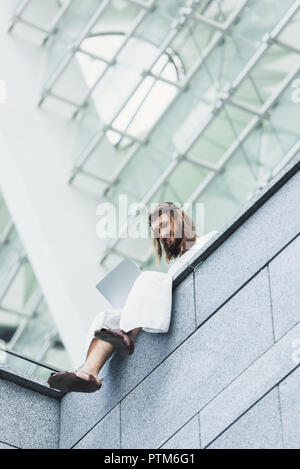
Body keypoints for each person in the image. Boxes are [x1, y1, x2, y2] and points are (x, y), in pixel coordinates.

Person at [48, 202, 217, 393]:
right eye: (157, 232)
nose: (161, 236)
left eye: (163, 226)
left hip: (183, 310)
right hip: (156, 310)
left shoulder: (210, 240)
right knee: (106, 318)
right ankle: (88, 372)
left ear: (179, 219)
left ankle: (127, 334)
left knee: (147, 278)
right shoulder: (174, 267)